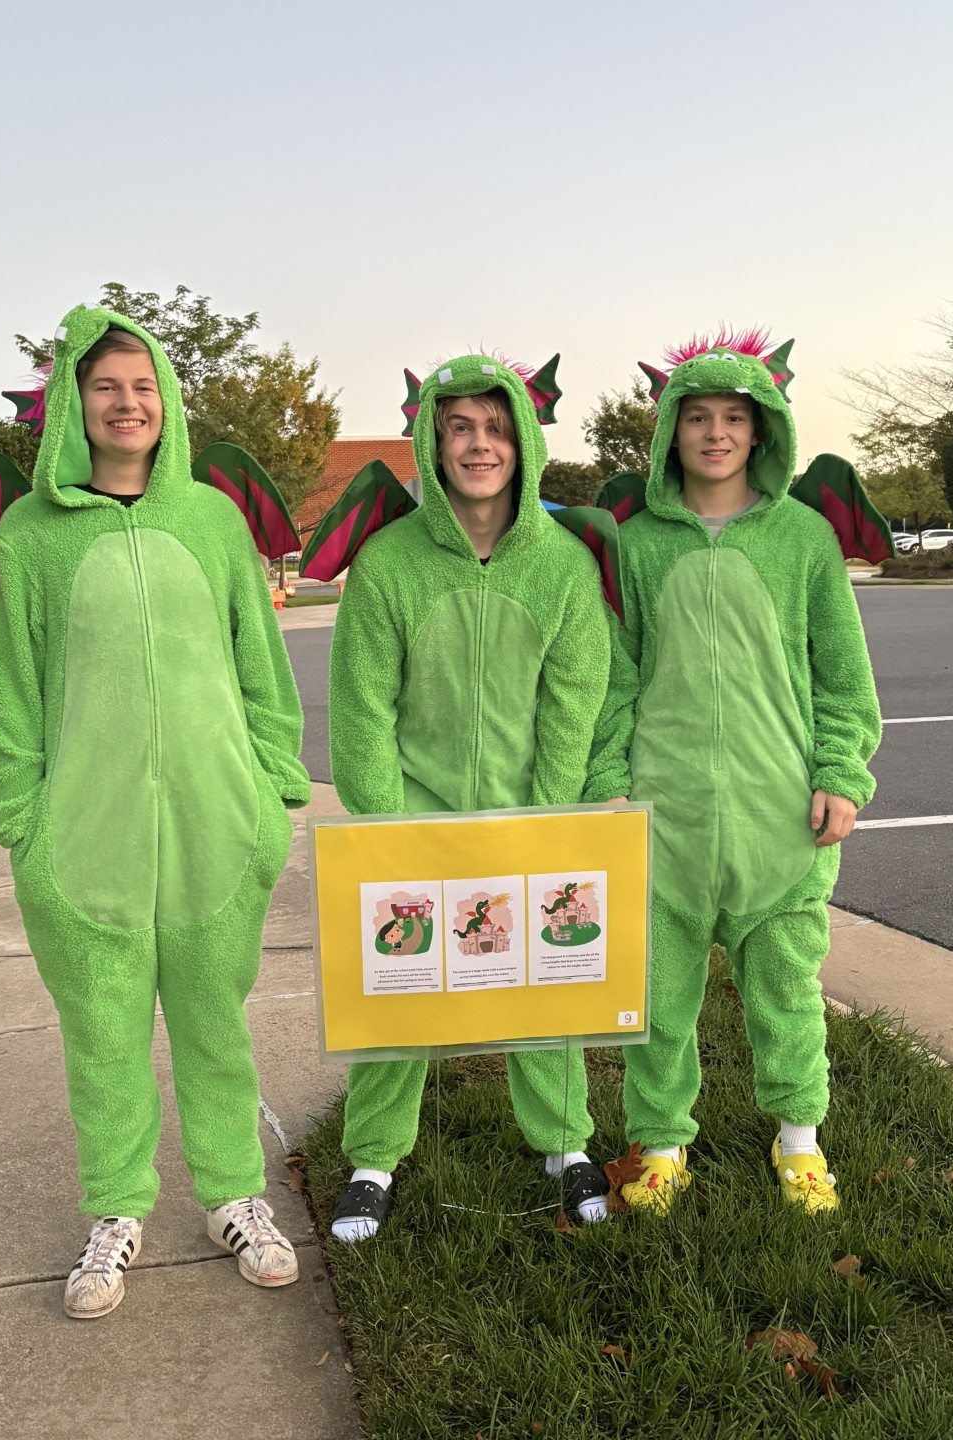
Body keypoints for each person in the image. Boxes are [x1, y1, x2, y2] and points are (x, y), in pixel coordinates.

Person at [0, 303, 310, 1317]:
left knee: (216, 1023)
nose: (128, 404)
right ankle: (117, 1211)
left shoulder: (210, 520)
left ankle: (234, 1197)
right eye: (107, 387)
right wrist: (23, 824)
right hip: (86, 838)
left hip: (218, 824)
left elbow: (261, 661)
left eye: (144, 387)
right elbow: (12, 687)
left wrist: (273, 794)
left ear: (168, 401)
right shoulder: (32, 536)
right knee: (105, 1033)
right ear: (75, 403)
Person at [585, 330, 881, 1215]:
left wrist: (840, 770)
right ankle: (663, 1144)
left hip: (775, 817)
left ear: (763, 432)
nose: (716, 433)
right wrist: (608, 779)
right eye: (698, 416)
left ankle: (800, 1144)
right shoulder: (638, 546)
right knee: (657, 998)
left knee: (788, 995)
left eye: (736, 418)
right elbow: (617, 675)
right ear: (669, 432)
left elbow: (842, 672)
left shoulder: (803, 539)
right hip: (662, 816)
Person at [324, 353, 612, 1239]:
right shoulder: (389, 564)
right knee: (398, 986)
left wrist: (544, 815)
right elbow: (363, 703)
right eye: (459, 428)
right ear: (432, 442)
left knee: (549, 982)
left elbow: (575, 699)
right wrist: (387, 823)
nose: (478, 444)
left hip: (527, 815)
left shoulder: (561, 567)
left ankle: (565, 1143)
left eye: (495, 428)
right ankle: (374, 1158)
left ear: (523, 442)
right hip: (414, 815)